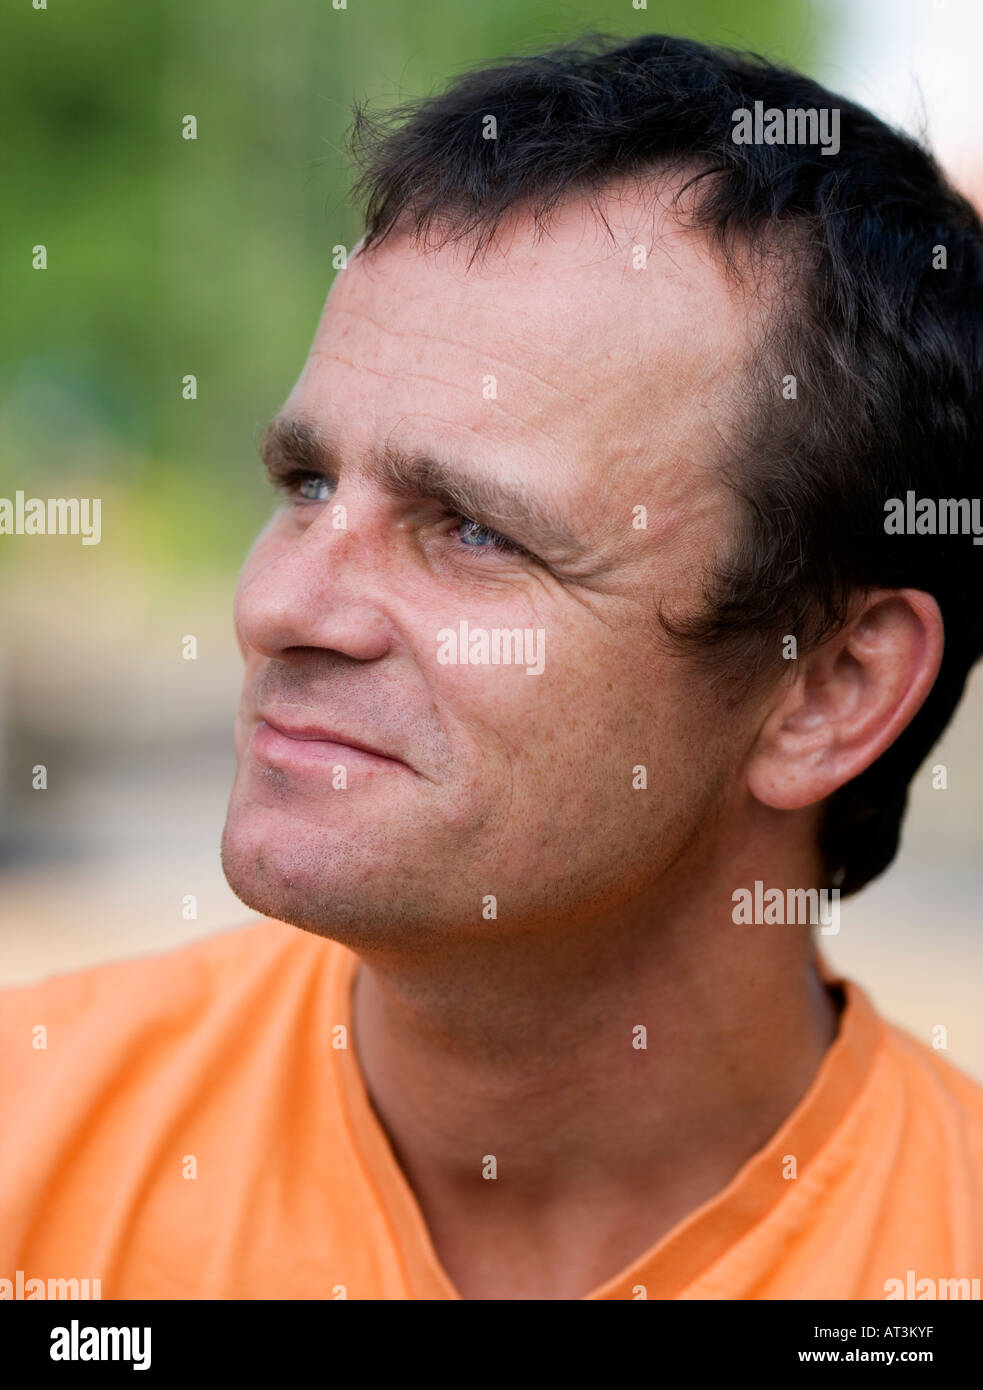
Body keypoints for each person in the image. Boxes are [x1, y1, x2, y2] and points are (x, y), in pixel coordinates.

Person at [3, 34, 983, 1302]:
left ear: (829, 687)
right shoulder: (35, 1154)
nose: (279, 604)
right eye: (306, 484)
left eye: (472, 529)